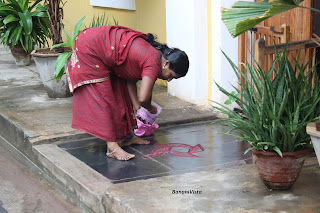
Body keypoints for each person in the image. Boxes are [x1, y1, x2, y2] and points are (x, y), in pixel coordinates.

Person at [66, 25, 189, 161]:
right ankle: (112, 148)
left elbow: (130, 79)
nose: (169, 80)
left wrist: (138, 109)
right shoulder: (154, 60)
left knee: (120, 93)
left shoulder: (156, 53)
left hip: (100, 46)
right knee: (106, 98)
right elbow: (144, 97)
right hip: (91, 48)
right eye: (172, 75)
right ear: (166, 64)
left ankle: (127, 137)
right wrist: (150, 108)